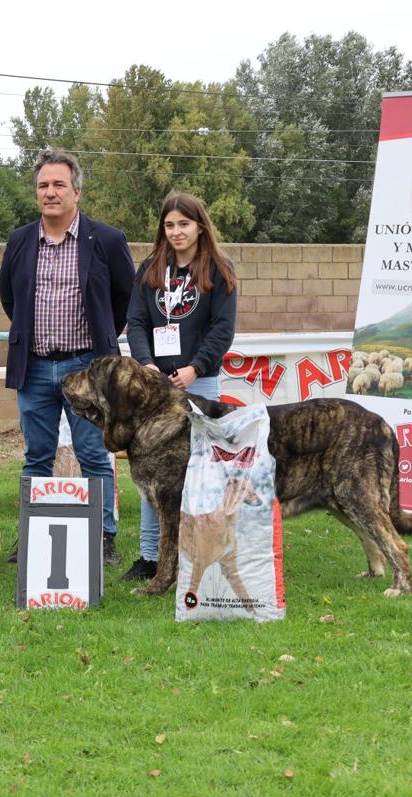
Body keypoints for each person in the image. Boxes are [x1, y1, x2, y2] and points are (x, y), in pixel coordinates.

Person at [0, 148, 135, 567]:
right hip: (35, 366)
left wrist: (100, 342)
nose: (50, 192)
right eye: (43, 185)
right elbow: (10, 297)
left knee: (94, 454)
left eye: (59, 184)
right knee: (36, 456)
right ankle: (32, 535)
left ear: (76, 191)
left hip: (88, 369)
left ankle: (104, 536)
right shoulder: (20, 240)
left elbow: (123, 298)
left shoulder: (107, 240)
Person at [122, 191, 238, 581]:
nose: (176, 232)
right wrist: (146, 364)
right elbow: (136, 321)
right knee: (152, 469)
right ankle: (150, 557)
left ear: (200, 226)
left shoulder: (219, 270)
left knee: (205, 471)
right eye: (169, 225)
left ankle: (205, 553)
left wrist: (194, 368)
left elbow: (222, 330)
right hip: (156, 390)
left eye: (184, 224)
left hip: (200, 383)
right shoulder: (150, 269)